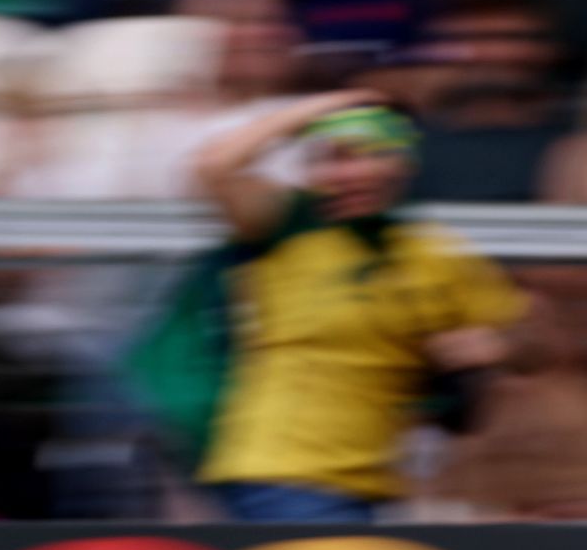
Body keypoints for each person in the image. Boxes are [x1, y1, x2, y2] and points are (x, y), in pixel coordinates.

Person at [189, 90, 528, 521]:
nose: (348, 173)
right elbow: (214, 165)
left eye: (367, 155)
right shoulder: (285, 228)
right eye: (330, 158)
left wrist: (498, 343)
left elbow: (536, 339)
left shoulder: (436, 255)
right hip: (281, 473)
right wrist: (326, 105)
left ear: (402, 163)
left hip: (372, 486)